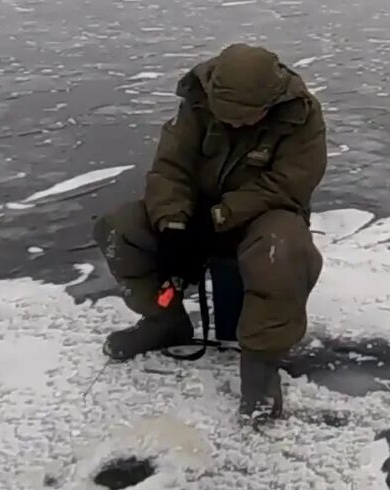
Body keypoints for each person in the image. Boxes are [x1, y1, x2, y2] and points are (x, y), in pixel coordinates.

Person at [92, 43, 327, 422]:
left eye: (244, 117)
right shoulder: (197, 104)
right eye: (227, 115)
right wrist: (173, 225)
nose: (234, 124)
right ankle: (165, 322)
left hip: (265, 214)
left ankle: (261, 367)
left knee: (280, 254)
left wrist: (217, 218)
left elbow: (286, 185)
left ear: (269, 104)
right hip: (196, 212)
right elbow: (170, 169)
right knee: (119, 229)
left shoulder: (302, 117)